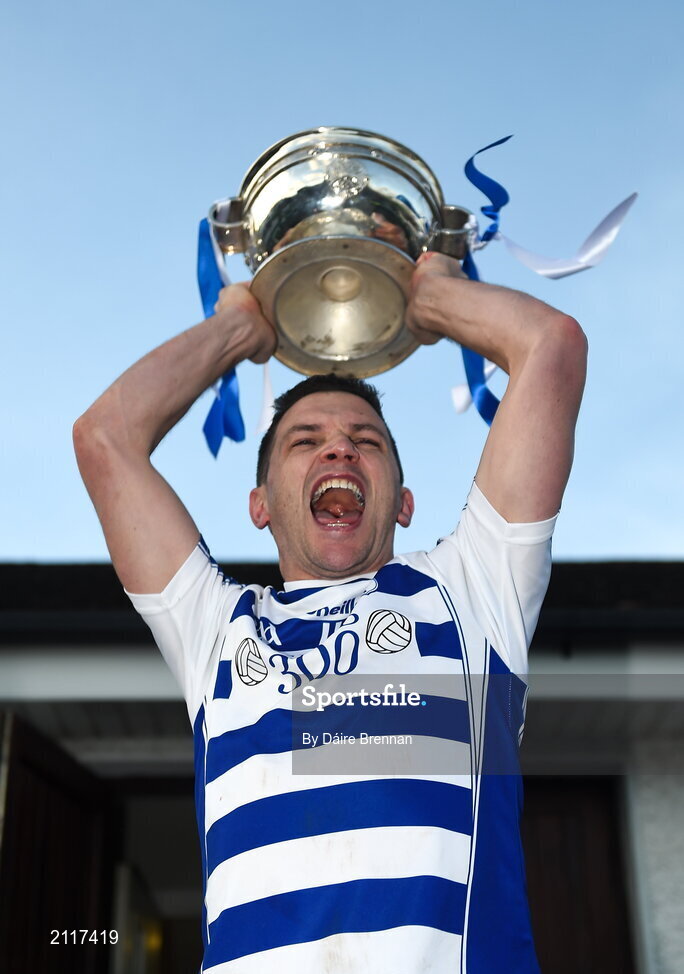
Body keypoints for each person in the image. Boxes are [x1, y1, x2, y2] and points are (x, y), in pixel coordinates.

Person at [73, 251, 587, 973]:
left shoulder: (473, 591)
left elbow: (550, 347)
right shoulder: (217, 632)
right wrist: (238, 328)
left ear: (404, 502)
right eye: (304, 441)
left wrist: (429, 296)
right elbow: (104, 440)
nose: (340, 446)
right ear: (260, 506)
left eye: (366, 441)